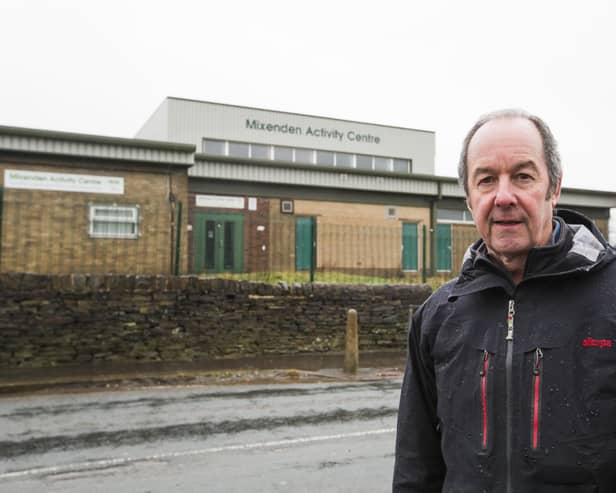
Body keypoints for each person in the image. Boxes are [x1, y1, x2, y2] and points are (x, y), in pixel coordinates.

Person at [393, 109, 616, 492]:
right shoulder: (437, 316)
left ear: (554, 187)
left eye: (523, 176)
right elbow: (417, 469)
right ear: (469, 197)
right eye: (487, 180)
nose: (504, 196)